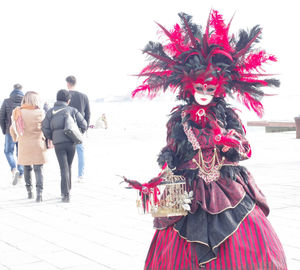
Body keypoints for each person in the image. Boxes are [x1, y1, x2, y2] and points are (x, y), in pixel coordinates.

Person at [126, 11, 287, 269]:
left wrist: (231, 144)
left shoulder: (228, 115)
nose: (204, 94)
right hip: (190, 189)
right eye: (199, 88)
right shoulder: (179, 119)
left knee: (249, 240)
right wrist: (166, 162)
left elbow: (244, 147)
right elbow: (172, 149)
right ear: (189, 87)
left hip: (227, 185)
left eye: (210, 89)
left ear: (219, 89)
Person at [42, 90, 87, 202]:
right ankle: (68, 190)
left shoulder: (50, 112)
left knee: (63, 167)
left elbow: (45, 128)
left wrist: (52, 137)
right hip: (71, 142)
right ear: (68, 100)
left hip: (58, 144)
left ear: (57, 99)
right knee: (68, 166)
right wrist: (78, 133)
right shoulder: (73, 110)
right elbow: (84, 124)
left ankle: (65, 193)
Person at [10, 91, 47, 202]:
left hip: (24, 144)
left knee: (27, 168)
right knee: (38, 169)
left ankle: (29, 192)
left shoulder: (17, 112)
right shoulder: (40, 112)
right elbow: (45, 128)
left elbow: (12, 129)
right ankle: (39, 194)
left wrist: (15, 138)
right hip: (37, 144)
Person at [66, 75, 90, 181]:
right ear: (75, 83)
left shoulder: (64, 95)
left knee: (66, 151)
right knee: (80, 151)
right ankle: (80, 175)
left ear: (67, 83)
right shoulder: (83, 96)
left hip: (66, 127)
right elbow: (88, 113)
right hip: (79, 128)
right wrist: (85, 127)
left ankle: (67, 173)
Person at [0, 83, 24, 184]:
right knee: (21, 152)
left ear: (13, 89)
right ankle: (21, 172)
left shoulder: (6, 101)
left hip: (10, 130)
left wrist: (4, 130)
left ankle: (14, 169)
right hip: (22, 131)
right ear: (21, 90)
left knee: (8, 151)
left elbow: (1, 117)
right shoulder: (25, 101)